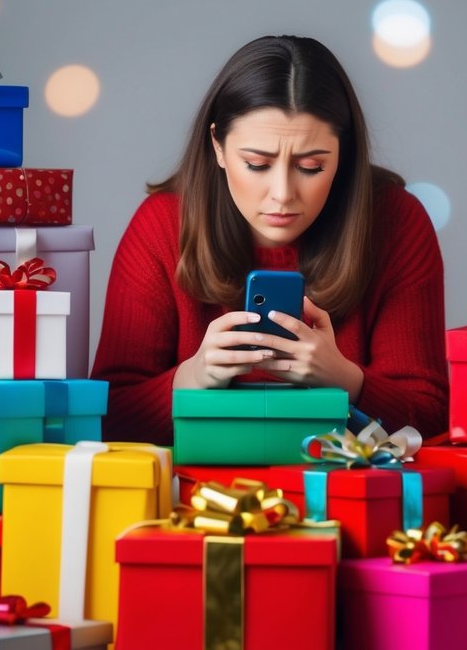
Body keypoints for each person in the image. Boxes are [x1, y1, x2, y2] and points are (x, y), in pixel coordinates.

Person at [91, 35, 448, 445]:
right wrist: (191, 377)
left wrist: (346, 379)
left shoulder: (395, 222)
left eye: (311, 166)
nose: (282, 193)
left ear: (344, 156)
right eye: (256, 164)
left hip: (341, 497)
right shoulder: (162, 225)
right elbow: (107, 417)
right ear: (218, 147)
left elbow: (431, 417)